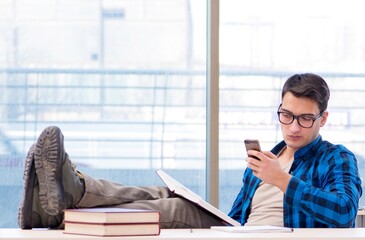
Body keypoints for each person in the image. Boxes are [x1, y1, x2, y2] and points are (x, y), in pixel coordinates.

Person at [18, 73, 362, 229]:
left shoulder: (337, 158)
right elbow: (239, 214)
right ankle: (69, 197)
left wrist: (283, 180)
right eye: (286, 116)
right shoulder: (267, 158)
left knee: (170, 207)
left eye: (304, 119)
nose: (293, 127)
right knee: (163, 195)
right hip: (235, 230)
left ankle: (65, 199)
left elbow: (345, 213)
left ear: (323, 118)